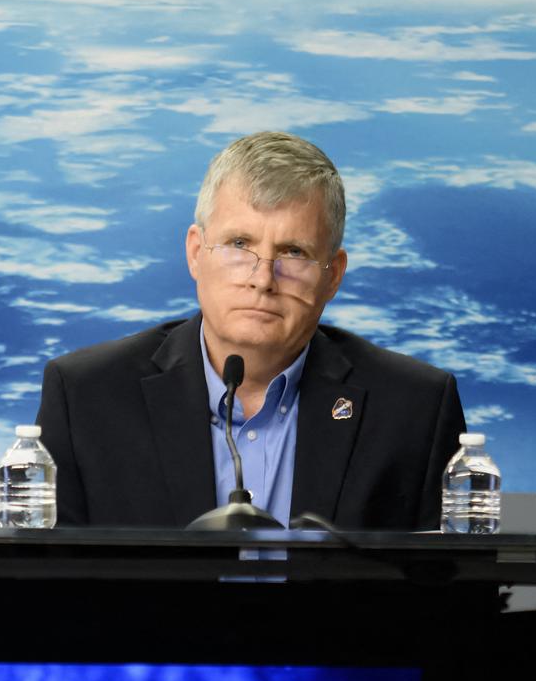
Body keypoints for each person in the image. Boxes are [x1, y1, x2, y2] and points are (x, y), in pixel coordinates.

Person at [34, 131, 466, 529]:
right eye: (240, 245)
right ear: (196, 253)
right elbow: (47, 591)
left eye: (293, 252)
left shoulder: (414, 409)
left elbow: (449, 599)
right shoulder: (87, 396)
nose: (263, 279)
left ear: (332, 276)